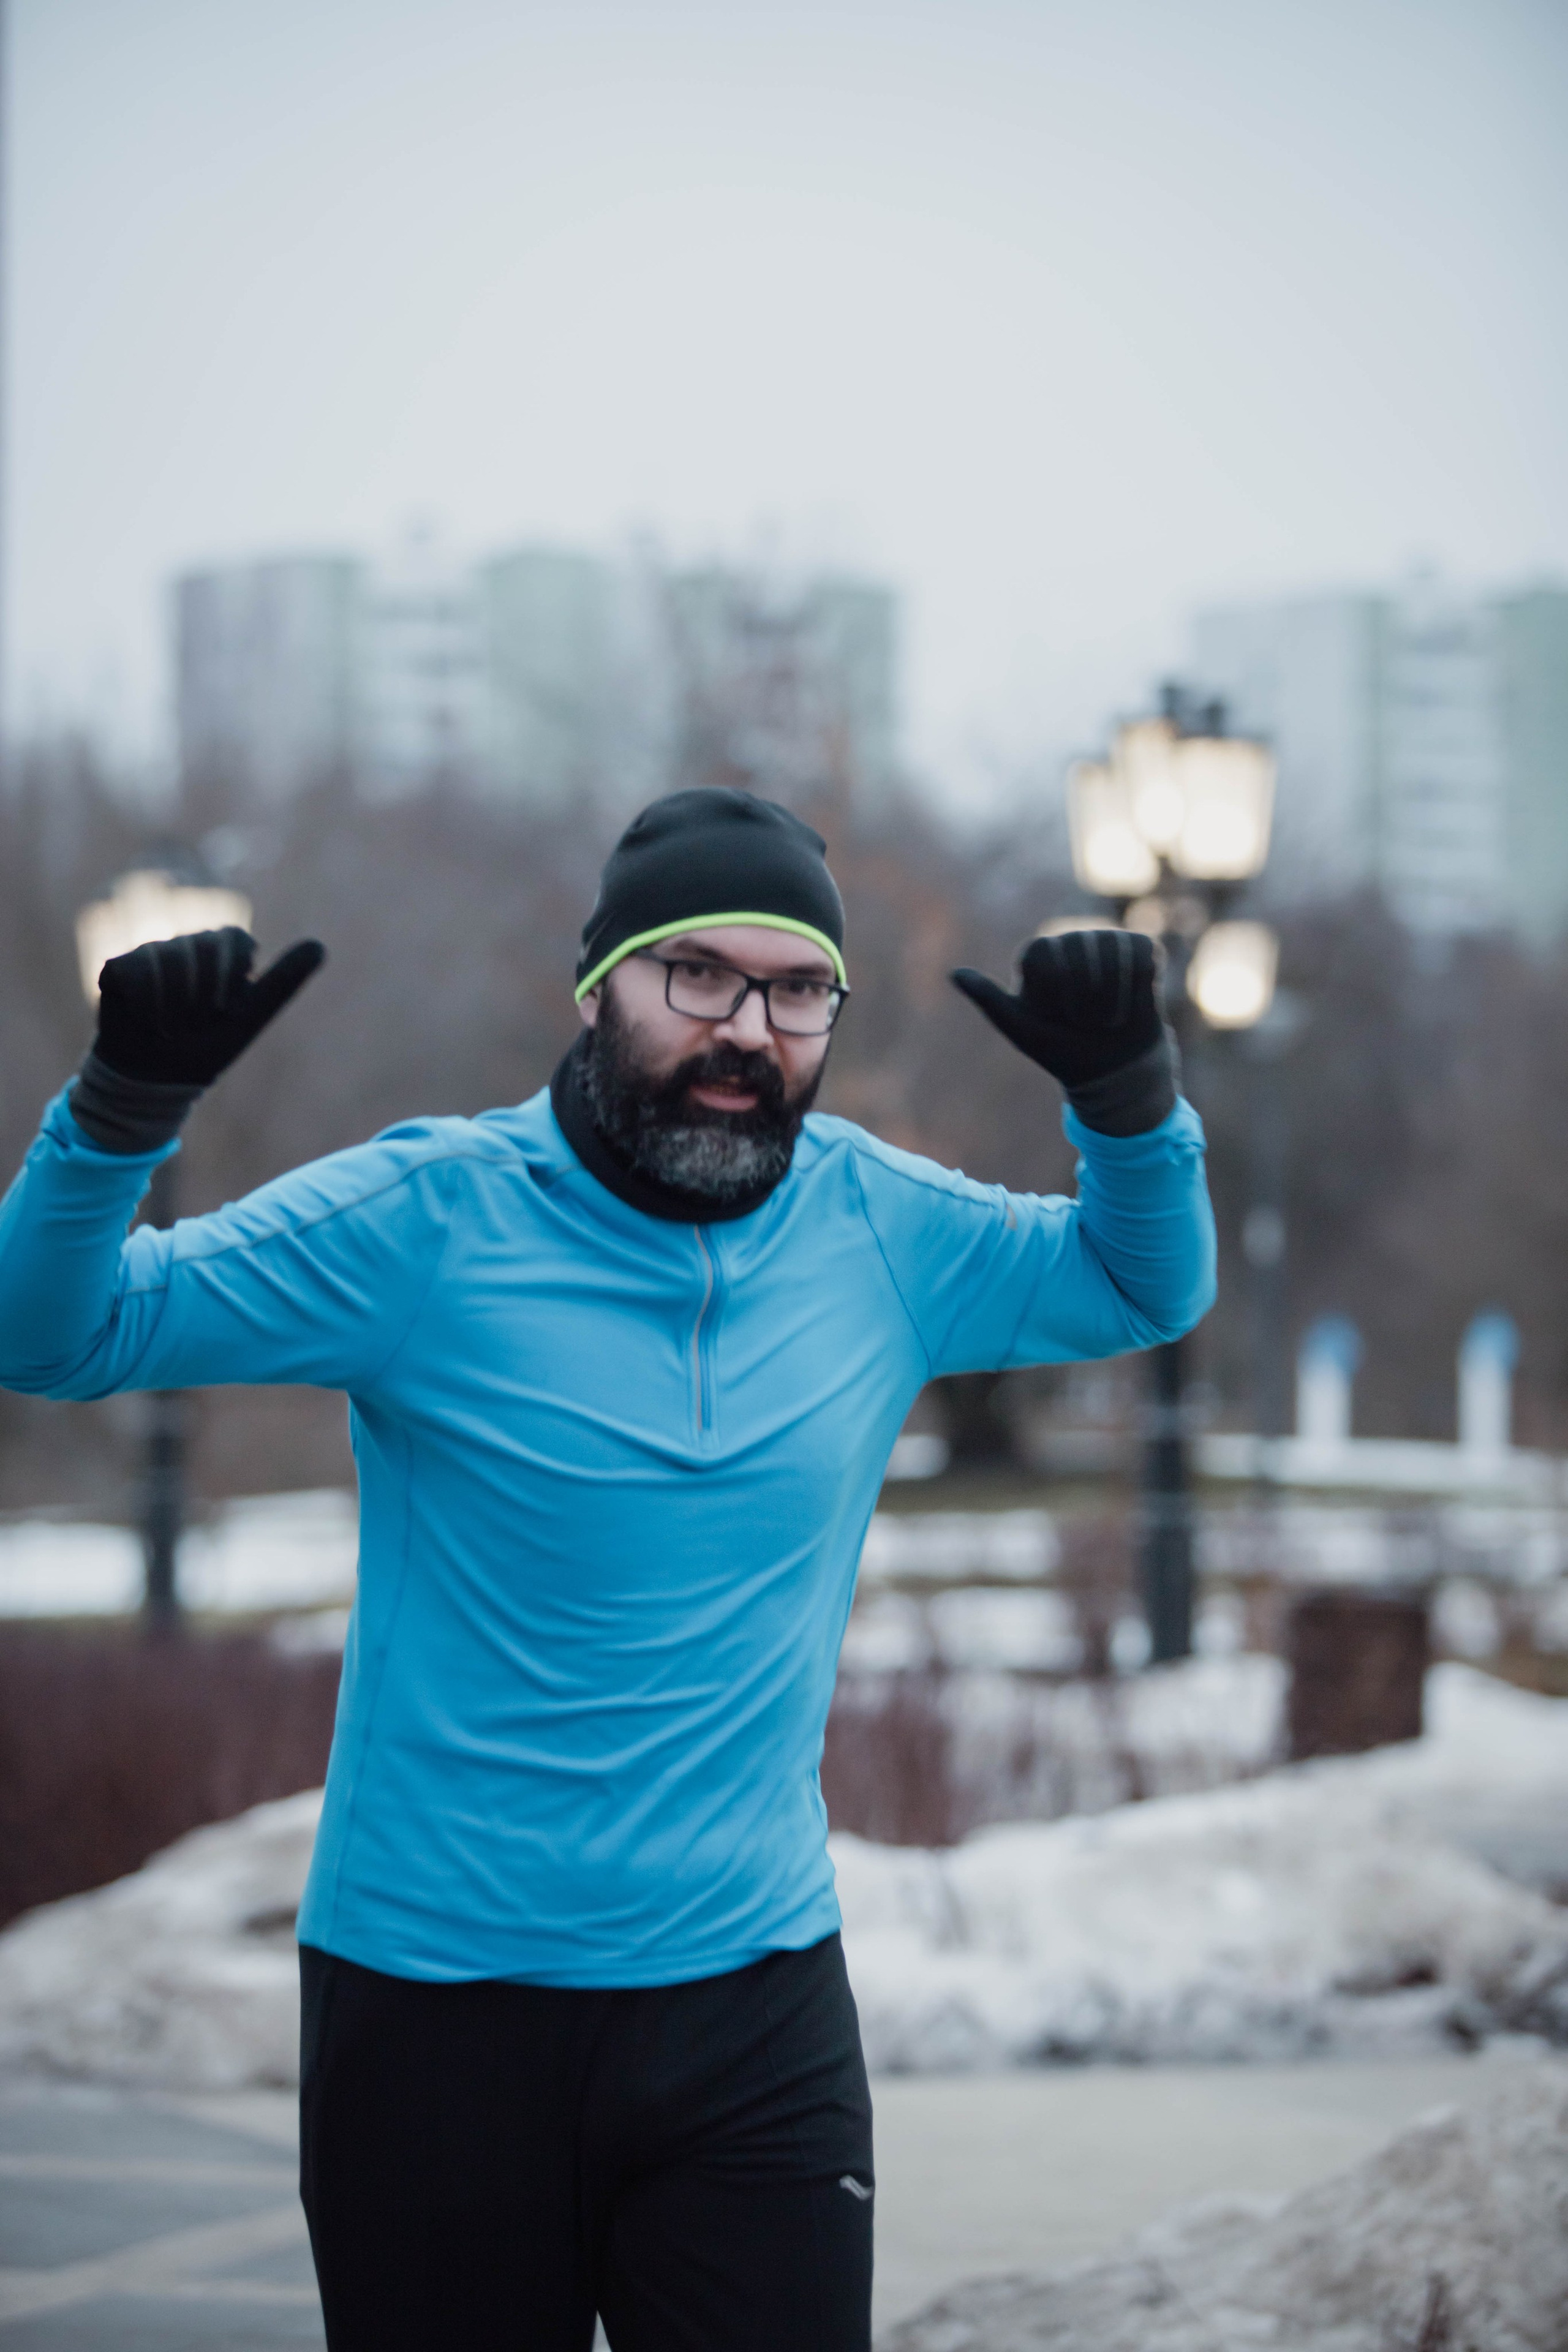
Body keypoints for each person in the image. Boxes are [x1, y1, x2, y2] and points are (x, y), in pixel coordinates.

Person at [0, 787, 1215, 2351]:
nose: (746, 1031)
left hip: (750, 2009)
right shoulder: (423, 1219)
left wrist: (1126, 1102)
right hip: (435, 2016)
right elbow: (56, 1332)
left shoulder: (880, 1229)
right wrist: (116, 1115)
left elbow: (1142, 1283)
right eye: (694, 975)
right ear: (598, 987)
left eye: (793, 992)